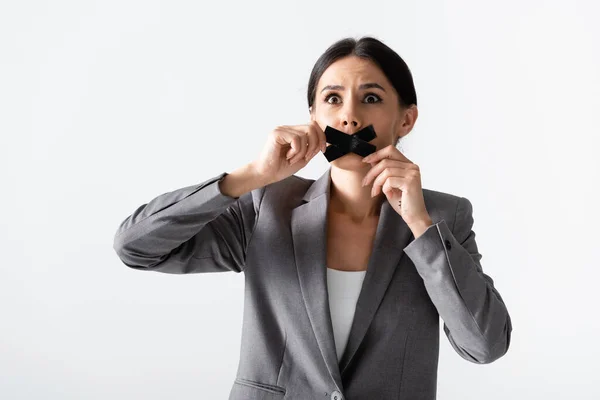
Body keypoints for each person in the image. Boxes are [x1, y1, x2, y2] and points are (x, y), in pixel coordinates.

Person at [113, 36, 512, 400]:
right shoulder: (266, 205)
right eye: (333, 99)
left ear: (405, 119)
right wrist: (251, 177)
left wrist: (421, 227)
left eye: (371, 98)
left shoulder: (444, 218)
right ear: (313, 117)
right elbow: (135, 247)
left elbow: (485, 346)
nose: (350, 118)